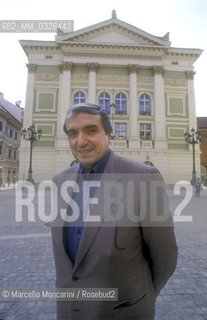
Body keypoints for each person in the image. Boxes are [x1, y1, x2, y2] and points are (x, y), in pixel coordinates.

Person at [51, 103, 178, 320]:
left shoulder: (143, 178)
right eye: (73, 133)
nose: (81, 141)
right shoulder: (60, 181)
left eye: (91, 130)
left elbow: (165, 257)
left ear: (108, 134)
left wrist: (141, 297)